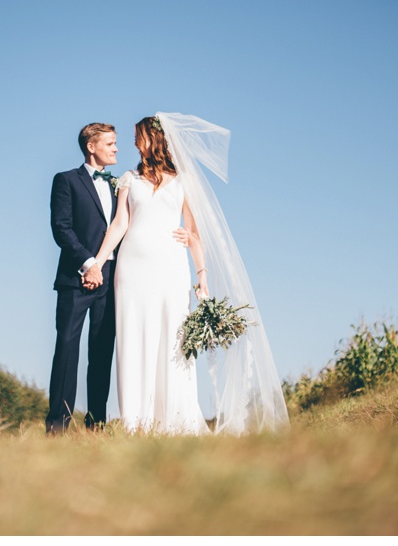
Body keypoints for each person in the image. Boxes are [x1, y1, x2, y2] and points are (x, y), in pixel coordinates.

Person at [95, 113, 290, 435]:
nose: (132, 142)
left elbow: (194, 232)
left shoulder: (184, 181)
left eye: (137, 136)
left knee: (173, 341)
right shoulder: (129, 178)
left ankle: (174, 421)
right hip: (131, 269)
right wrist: (99, 261)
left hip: (171, 268)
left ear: (153, 140)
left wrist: (202, 276)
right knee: (133, 338)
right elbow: (119, 224)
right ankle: (135, 423)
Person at [46, 122, 189, 433]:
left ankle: (95, 423)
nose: (117, 148)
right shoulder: (66, 180)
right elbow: (62, 229)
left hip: (115, 278)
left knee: (102, 353)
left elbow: (135, 221)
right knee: (67, 349)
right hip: (78, 277)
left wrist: (183, 233)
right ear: (91, 146)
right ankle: (57, 426)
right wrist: (88, 264)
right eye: (110, 144)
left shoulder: (121, 182)